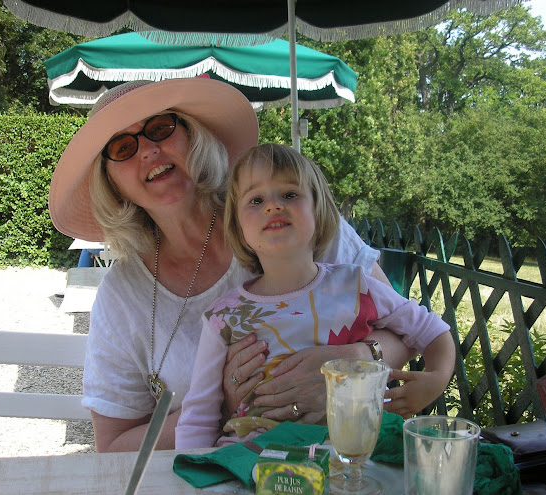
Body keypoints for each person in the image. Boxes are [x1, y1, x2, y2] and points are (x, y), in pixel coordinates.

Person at [48, 78, 414, 452]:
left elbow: (407, 332)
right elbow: (113, 445)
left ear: (194, 137)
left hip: (340, 463)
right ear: (112, 183)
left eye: (160, 128)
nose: (148, 150)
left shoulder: (289, 220)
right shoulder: (123, 296)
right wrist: (220, 403)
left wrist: (351, 362)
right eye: (123, 147)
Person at [175, 144, 455, 449]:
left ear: (319, 211)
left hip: (348, 457)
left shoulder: (356, 286)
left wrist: (437, 378)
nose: (273, 206)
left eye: (290, 194)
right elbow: (198, 417)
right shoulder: (223, 317)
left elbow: (432, 331)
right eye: (256, 200)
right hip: (249, 463)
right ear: (239, 228)